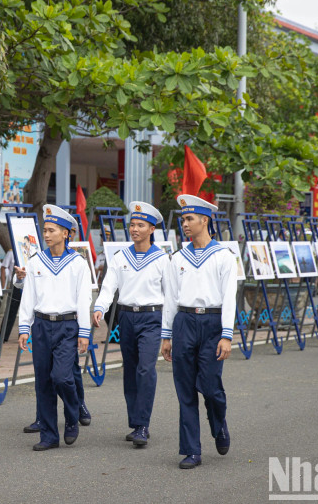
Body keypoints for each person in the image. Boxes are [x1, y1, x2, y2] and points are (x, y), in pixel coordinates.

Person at [161, 194, 237, 469]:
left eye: (190, 219)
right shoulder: (177, 257)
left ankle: (219, 424)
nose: (185, 224)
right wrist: (166, 335)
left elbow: (230, 297)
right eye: (183, 219)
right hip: (184, 322)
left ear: (205, 220)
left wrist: (227, 335)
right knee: (185, 390)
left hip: (213, 325)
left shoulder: (224, 256)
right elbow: (170, 297)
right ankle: (191, 449)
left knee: (211, 388)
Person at [93, 201, 170, 447]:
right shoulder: (120, 257)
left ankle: (143, 425)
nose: (135, 229)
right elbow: (108, 287)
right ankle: (136, 423)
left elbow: (171, 295)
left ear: (151, 229)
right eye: (132, 224)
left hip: (152, 318)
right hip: (126, 317)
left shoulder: (162, 259)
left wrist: (170, 330)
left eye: (141, 225)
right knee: (130, 370)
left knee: (145, 369)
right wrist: (99, 307)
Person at [15, 205, 91, 451]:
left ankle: (71, 415)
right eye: (45, 230)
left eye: (52, 230)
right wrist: (24, 327)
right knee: (43, 382)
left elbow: (83, 300)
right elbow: (29, 296)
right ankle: (49, 435)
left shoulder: (78, 264)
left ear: (66, 233)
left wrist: (84, 332)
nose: (46, 235)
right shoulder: (36, 261)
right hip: (41, 326)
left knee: (62, 377)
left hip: (68, 326)